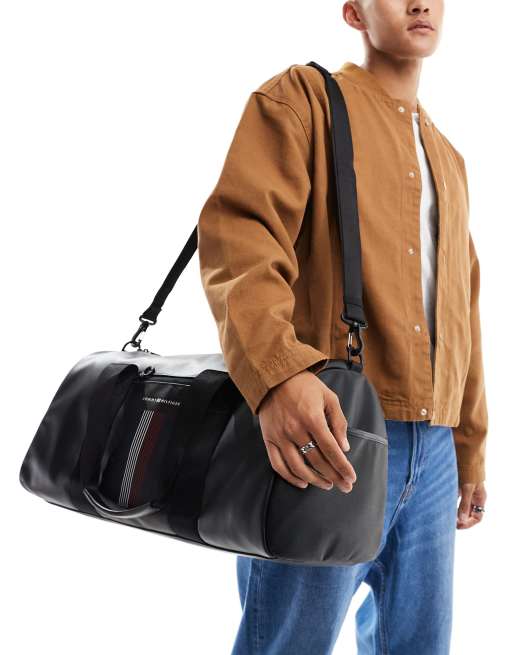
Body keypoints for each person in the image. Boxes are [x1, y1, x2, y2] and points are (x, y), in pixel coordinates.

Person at [197, 1, 488, 653]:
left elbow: (462, 307)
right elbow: (240, 240)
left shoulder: (448, 157)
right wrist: (278, 377)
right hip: (330, 434)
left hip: (435, 454)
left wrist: (468, 446)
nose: (421, 3)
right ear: (354, 12)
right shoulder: (303, 102)